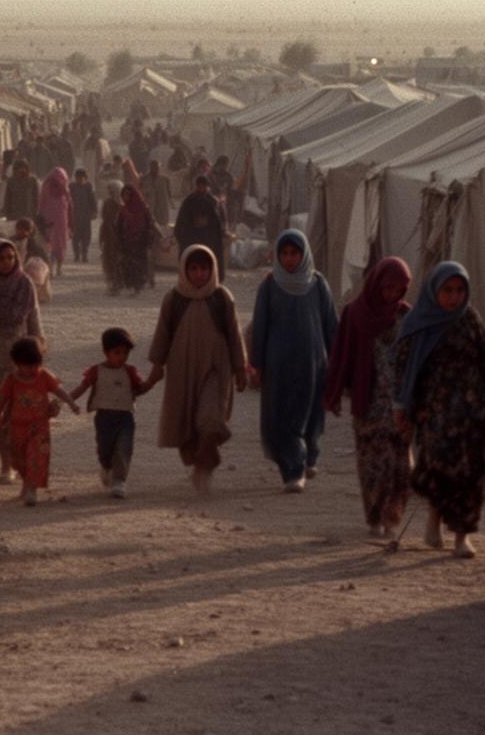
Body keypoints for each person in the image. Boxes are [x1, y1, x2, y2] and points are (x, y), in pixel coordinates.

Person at [378, 261, 485, 556]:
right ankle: (435, 516)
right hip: (434, 413)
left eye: (460, 290)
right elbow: (403, 369)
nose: (454, 297)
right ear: (434, 290)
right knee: (440, 470)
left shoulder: (470, 319)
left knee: (472, 474)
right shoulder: (418, 323)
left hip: (472, 414)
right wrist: (401, 408)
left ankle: (462, 537)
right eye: (448, 290)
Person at [145, 245, 247, 494]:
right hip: (182, 369)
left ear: (212, 269)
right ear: (185, 270)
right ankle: (200, 463)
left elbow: (234, 335)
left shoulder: (222, 298)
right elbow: (163, 334)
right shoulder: (174, 299)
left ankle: (206, 466)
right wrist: (157, 366)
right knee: (187, 423)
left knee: (211, 418)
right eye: (193, 269)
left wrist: (240, 368)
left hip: (216, 368)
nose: (199, 274)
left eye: (204, 268)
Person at [325, 257, 413, 536]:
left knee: (401, 465)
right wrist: (335, 391)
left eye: (397, 289)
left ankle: (391, 513)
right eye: (387, 288)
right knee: (374, 465)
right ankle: (375, 516)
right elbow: (341, 354)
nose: (391, 294)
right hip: (369, 401)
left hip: (399, 404)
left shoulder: (406, 316)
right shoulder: (355, 313)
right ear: (376, 285)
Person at [248, 230, 338, 492]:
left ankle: (309, 455)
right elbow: (260, 328)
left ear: (304, 254)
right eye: (284, 253)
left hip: (313, 363)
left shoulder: (317, 284)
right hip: (279, 365)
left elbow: (331, 325)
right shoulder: (269, 285)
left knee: (311, 415)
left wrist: (338, 363)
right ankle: (293, 471)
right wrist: (258, 365)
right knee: (284, 418)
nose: (289, 259)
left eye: (294, 253)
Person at [0, 238, 44, 484]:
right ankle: (6, 465)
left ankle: (20, 462)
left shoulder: (25, 285)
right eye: (1, 258)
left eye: (10, 258)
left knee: (21, 413)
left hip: (20, 356)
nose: (6, 263)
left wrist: (38, 346)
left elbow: (34, 319)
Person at [68, 327, 154, 499]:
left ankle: (119, 480)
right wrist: (66, 400)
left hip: (125, 417)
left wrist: (154, 379)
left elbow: (139, 389)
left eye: (125, 353)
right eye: (117, 352)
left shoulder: (129, 372)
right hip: (104, 418)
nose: (122, 357)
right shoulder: (96, 371)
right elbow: (82, 387)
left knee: (124, 448)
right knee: (105, 449)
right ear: (106, 352)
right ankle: (106, 467)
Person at [0, 336, 77, 506]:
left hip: (39, 426)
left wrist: (71, 402)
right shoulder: (11, 380)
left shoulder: (44, 376)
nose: (33, 369)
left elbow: (59, 391)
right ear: (17, 363)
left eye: (36, 364)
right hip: (17, 427)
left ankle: (31, 489)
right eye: (28, 365)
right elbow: (2, 400)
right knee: (17, 460)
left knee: (36, 457)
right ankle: (26, 483)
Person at [173, 175, 227, 266]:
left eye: (204, 186)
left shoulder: (212, 201)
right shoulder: (189, 201)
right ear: (196, 186)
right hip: (192, 237)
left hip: (208, 238)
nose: (201, 188)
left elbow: (219, 220)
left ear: (207, 187)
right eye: (199, 185)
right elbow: (182, 220)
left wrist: (209, 224)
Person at [112, 183, 157, 294]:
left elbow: (150, 224)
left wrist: (149, 239)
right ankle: (119, 286)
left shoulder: (143, 209)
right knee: (124, 264)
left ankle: (138, 287)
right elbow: (118, 226)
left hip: (141, 241)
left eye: (128, 195)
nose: (125, 197)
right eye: (124, 195)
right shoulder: (123, 210)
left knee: (139, 265)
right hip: (126, 241)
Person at [39, 167, 73, 273]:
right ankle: (56, 268)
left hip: (54, 222)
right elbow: (70, 207)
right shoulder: (63, 190)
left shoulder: (48, 187)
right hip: (57, 223)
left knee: (52, 244)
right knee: (57, 244)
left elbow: (41, 204)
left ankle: (54, 267)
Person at [69, 169, 97, 264]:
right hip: (75, 216)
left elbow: (93, 200)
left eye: (82, 178)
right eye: (78, 178)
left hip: (86, 216)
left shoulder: (88, 187)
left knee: (86, 237)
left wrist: (94, 211)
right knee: (75, 237)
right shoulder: (72, 187)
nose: (80, 180)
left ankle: (84, 254)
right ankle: (76, 254)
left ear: (85, 178)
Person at [144, 159, 173, 227]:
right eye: (153, 167)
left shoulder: (165, 179)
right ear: (150, 167)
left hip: (162, 206)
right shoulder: (145, 179)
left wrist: (170, 202)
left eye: (157, 167)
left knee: (163, 225)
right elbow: (143, 192)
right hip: (151, 206)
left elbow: (169, 192)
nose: (155, 169)